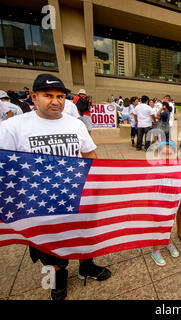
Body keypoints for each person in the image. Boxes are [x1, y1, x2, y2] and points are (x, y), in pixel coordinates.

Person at [0, 73, 111, 301]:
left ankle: (86, 266)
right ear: (33, 97)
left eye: (60, 96)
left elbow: (89, 153)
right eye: (47, 95)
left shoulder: (75, 124)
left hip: (76, 196)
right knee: (49, 248)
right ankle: (57, 283)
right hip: (39, 201)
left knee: (83, 235)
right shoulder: (13, 127)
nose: (55, 101)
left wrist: (93, 185)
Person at [150, 141, 181, 266]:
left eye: (170, 153)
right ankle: (155, 250)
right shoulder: (155, 167)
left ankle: (166, 241)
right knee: (157, 225)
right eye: (164, 153)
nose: (167, 156)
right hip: (158, 202)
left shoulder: (177, 167)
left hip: (172, 202)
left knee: (168, 223)